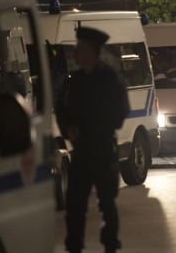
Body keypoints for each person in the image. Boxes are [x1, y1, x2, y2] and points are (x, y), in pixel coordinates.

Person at [56, 27, 130, 253]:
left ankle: (109, 244)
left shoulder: (109, 78)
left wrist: (100, 128)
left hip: (102, 148)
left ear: (91, 51)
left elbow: (120, 110)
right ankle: (75, 245)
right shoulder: (74, 81)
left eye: (80, 48)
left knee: (107, 203)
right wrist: (68, 130)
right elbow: (61, 109)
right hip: (80, 151)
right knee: (75, 204)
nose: (76, 53)